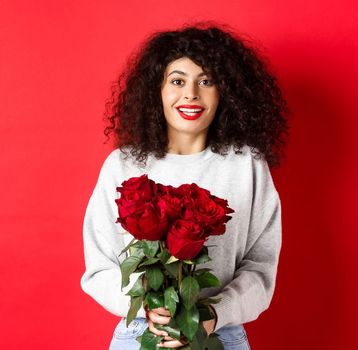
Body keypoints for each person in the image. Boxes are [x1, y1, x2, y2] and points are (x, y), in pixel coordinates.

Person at [80, 22, 289, 349]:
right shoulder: (122, 166)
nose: (191, 93)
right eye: (177, 81)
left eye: (206, 81)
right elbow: (99, 269)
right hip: (140, 334)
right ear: (157, 91)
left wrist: (212, 315)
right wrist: (148, 308)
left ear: (225, 92)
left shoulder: (246, 165)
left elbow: (259, 269)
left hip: (221, 334)